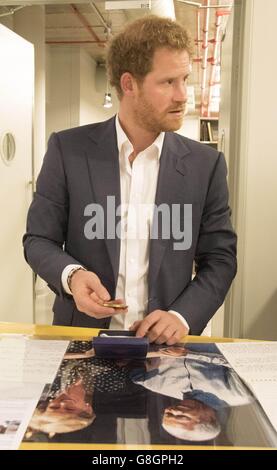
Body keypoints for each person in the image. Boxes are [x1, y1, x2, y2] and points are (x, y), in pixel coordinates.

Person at [23, 15, 237, 344]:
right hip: (81, 341)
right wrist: (73, 276)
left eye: (185, 79)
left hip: (164, 349)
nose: (183, 95)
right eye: (168, 82)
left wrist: (182, 316)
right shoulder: (68, 150)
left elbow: (220, 259)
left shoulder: (205, 165)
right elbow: (39, 239)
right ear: (129, 84)